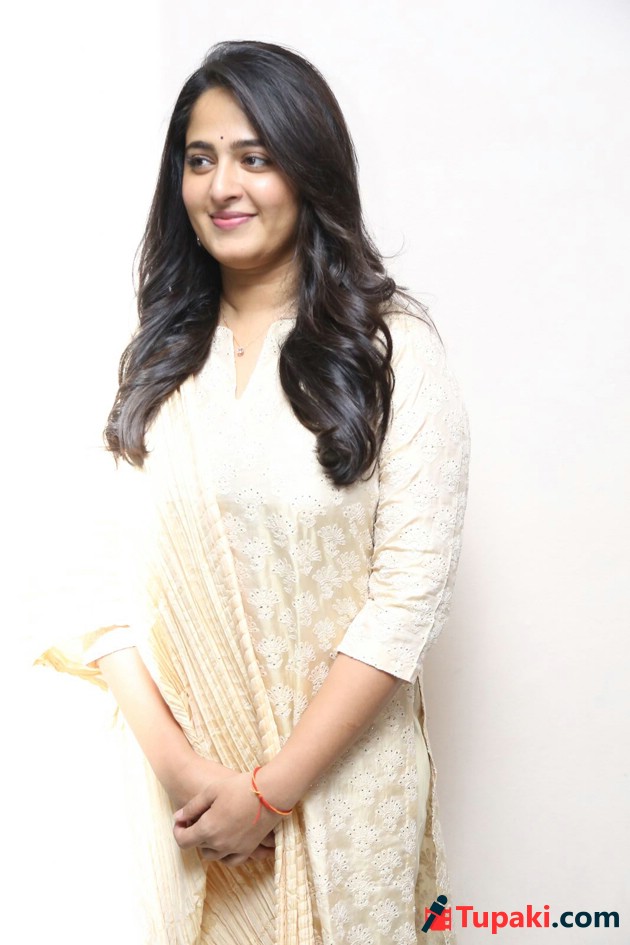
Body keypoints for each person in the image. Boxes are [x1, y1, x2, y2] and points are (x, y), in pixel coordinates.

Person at [38, 40, 470, 945]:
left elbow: (406, 601)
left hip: (340, 802)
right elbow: (97, 586)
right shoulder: (156, 359)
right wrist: (190, 777)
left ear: (309, 170)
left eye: (254, 157)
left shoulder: (391, 350)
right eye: (200, 160)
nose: (222, 186)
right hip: (184, 812)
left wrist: (270, 792)